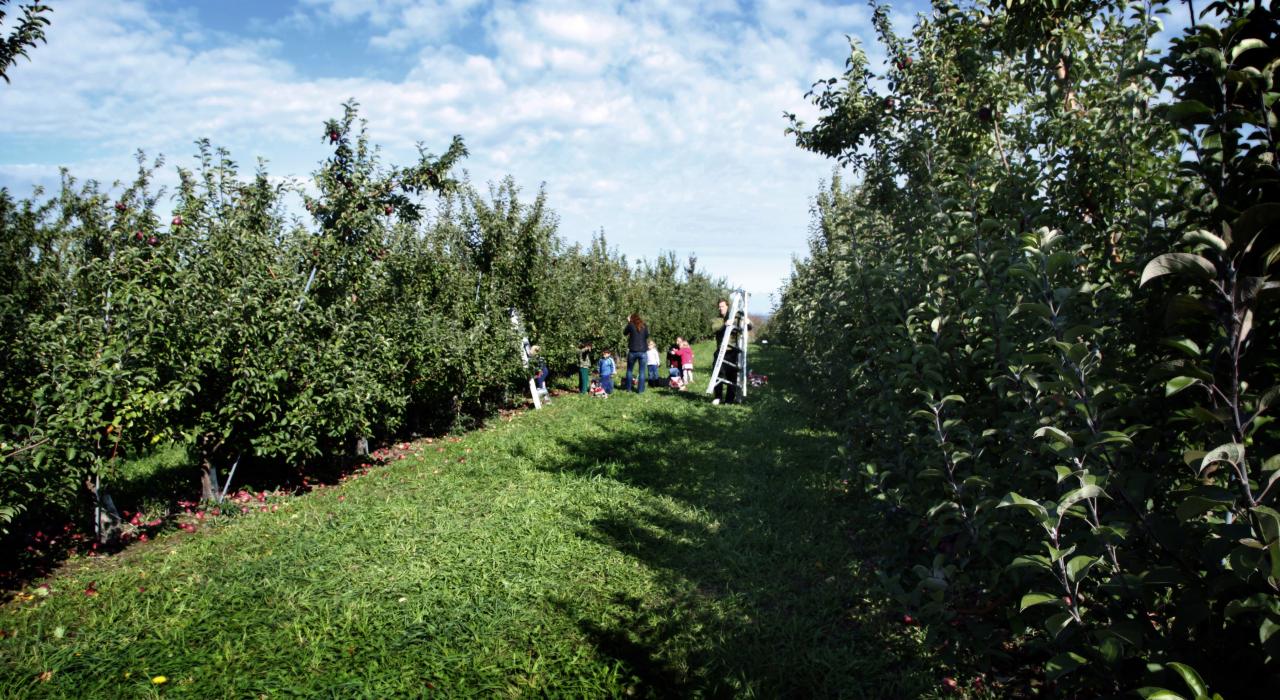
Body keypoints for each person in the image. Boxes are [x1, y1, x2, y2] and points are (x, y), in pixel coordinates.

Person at [623, 313, 650, 393]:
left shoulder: (630, 325)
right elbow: (647, 336)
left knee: (629, 370)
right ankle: (640, 390)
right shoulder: (644, 325)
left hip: (633, 351)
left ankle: (628, 389)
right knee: (641, 371)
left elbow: (624, 333)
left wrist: (628, 322)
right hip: (643, 351)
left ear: (631, 319)